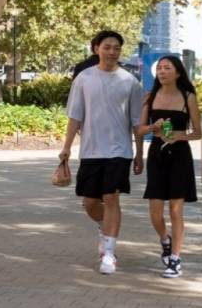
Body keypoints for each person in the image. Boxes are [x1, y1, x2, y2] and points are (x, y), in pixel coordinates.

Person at [59, 30, 144, 275]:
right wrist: (65, 148)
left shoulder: (130, 82)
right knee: (90, 204)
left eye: (116, 47)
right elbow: (75, 117)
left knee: (112, 198)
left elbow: (137, 123)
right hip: (91, 151)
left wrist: (139, 155)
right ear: (97, 48)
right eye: (107, 47)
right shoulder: (83, 79)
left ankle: (108, 253)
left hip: (120, 151)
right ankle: (104, 226)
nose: (112, 51)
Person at [138, 56, 202, 278]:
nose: (162, 72)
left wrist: (178, 136)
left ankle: (175, 259)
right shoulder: (150, 97)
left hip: (180, 156)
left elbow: (198, 132)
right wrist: (151, 127)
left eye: (167, 68)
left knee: (176, 209)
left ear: (177, 73)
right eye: (160, 69)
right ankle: (165, 240)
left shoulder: (188, 97)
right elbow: (139, 130)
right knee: (155, 211)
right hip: (157, 155)